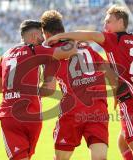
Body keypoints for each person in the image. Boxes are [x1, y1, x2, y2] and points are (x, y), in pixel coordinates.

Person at [46, 6, 133, 160]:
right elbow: (114, 71)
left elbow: (89, 35)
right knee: (123, 144)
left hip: (131, 100)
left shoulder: (114, 39)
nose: (105, 26)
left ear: (120, 21)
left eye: (108, 21)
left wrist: (61, 36)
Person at [0, 20, 77, 160]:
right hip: (32, 115)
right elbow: (71, 50)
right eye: (41, 35)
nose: (43, 39)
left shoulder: (5, 54)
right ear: (33, 36)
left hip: (9, 114)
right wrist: (66, 38)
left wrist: (15, 91)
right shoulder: (35, 50)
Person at [40, 10, 118, 160]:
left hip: (72, 109)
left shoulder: (50, 52)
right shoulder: (83, 45)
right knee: (100, 157)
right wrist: (116, 94)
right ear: (61, 29)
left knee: (61, 157)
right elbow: (109, 70)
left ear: (46, 33)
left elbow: (50, 89)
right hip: (97, 107)